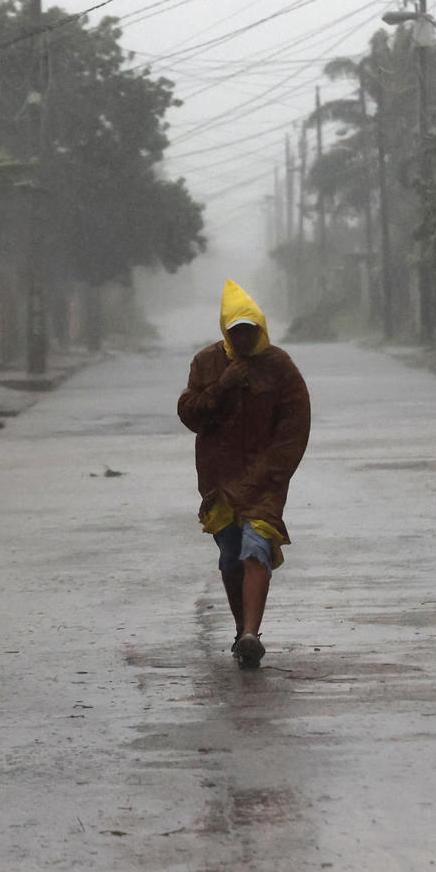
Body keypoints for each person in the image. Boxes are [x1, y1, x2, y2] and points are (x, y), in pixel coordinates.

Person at [176, 280, 311, 669]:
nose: (245, 338)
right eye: (237, 331)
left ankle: (252, 633)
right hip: (220, 481)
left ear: (261, 329)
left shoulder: (280, 366)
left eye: (251, 330)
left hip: (266, 482)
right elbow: (191, 415)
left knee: (257, 550)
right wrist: (222, 385)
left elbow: (295, 425)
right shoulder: (206, 363)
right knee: (230, 557)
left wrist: (273, 472)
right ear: (225, 331)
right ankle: (241, 631)